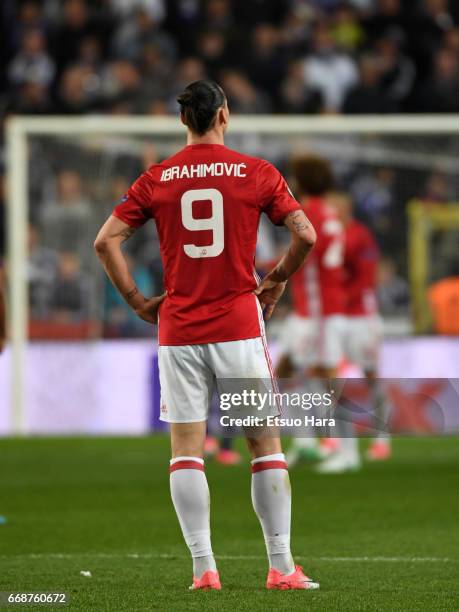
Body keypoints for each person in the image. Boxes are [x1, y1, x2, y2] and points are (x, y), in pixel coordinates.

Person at [94, 80, 318, 592]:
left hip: (179, 328)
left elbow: (104, 241)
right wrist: (276, 279)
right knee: (264, 446)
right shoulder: (256, 172)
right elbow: (305, 233)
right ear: (225, 115)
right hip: (238, 324)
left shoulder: (157, 178)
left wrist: (135, 301)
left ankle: (203, 570)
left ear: (183, 121)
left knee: (186, 450)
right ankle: (281, 567)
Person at [276, 155, 350, 469]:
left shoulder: (312, 214)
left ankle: (347, 452)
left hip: (320, 312)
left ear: (302, 181)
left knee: (325, 378)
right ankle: (306, 441)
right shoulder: (327, 212)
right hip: (311, 309)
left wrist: (270, 270)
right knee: (285, 371)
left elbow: (304, 253)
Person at [332, 193, 392, 465]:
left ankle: (382, 437)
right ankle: (338, 438)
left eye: (337, 206)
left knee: (370, 375)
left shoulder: (360, 235)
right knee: (330, 376)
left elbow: (367, 276)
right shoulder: (328, 235)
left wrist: (341, 296)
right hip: (336, 317)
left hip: (361, 316)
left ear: (348, 207)